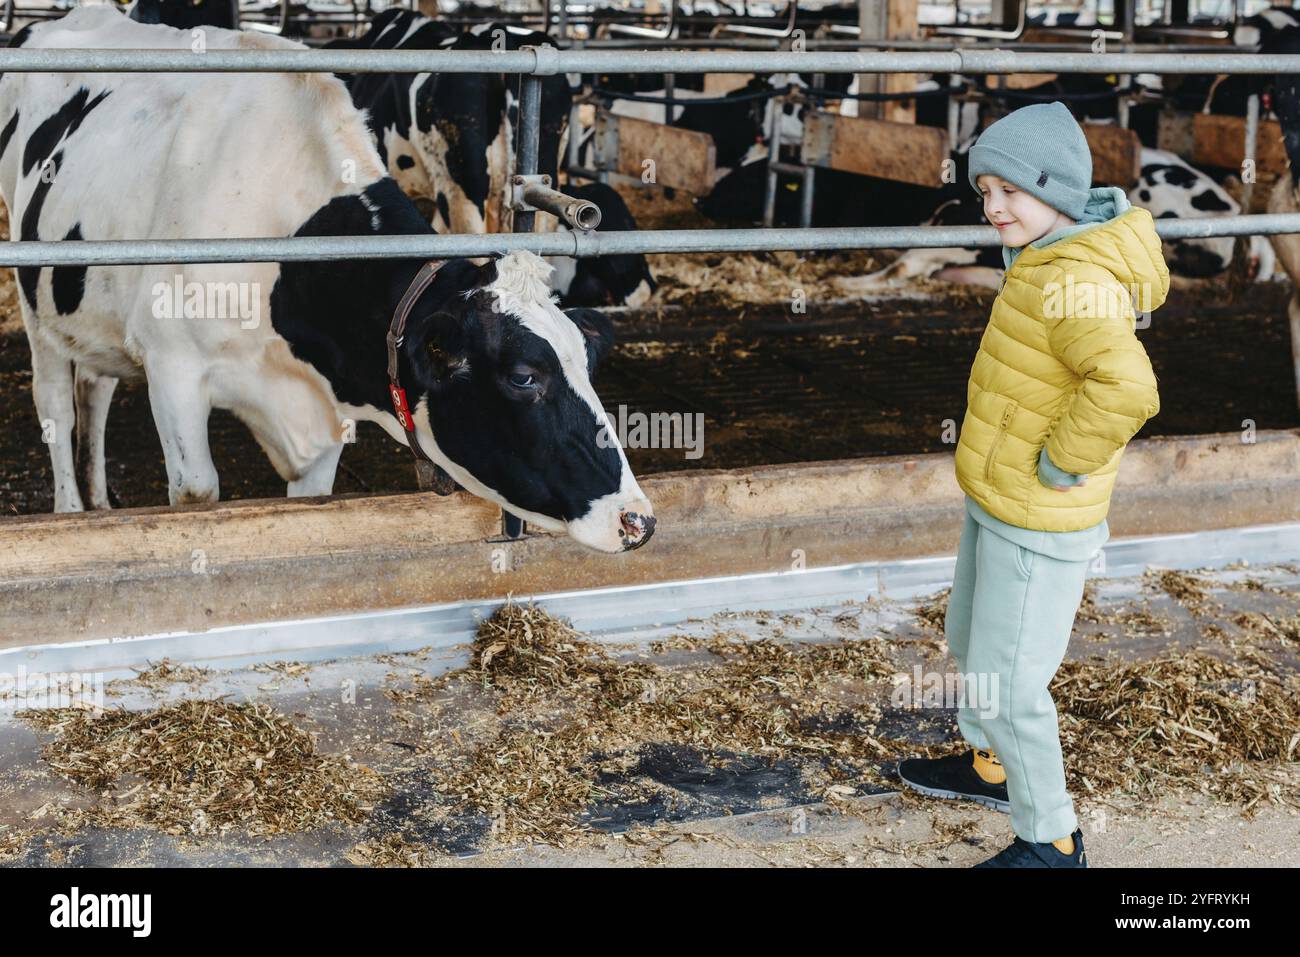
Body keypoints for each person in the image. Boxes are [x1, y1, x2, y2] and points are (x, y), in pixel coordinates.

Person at [896, 101, 1169, 868]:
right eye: (984, 192)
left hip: (1038, 510)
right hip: (999, 497)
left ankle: (1051, 838)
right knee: (969, 634)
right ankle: (989, 766)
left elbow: (1125, 386)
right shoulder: (1045, 255)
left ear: (1056, 188)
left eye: (1009, 190)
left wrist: (1059, 461)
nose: (993, 207)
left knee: (1013, 682)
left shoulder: (1074, 276)